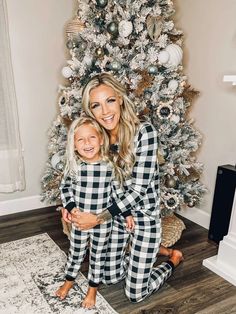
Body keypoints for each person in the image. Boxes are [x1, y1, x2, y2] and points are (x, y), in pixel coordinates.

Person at [62, 73, 183, 303]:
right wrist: (71, 206)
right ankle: (146, 255)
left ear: (119, 98)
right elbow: (82, 179)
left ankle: (171, 260)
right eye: (96, 105)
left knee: (135, 293)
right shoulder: (97, 139)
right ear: (90, 111)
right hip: (116, 217)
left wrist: (96, 219)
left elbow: (137, 191)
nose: (105, 112)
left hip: (144, 217)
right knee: (108, 277)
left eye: (109, 101)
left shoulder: (145, 133)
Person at [56, 115, 135, 309]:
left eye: (91, 137)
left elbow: (118, 193)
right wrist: (70, 207)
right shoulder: (74, 166)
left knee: (98, 254)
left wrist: (127, 214)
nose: (87, 143)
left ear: (101, 139)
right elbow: (65, 188)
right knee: (76, 252)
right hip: (79, 220)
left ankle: (92, 288)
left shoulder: (109, 165)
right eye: (80, 139)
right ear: (74, 145)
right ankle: (69, 280)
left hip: (102, 221)